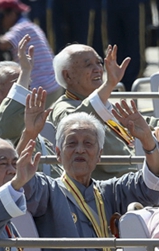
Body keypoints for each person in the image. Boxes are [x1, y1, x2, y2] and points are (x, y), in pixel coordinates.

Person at [23, 107, 159, 251]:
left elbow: (152, 184)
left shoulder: (110, 191)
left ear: (99, 155)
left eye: (88, 143)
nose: (80, 150)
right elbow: (19, 180)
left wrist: (147, 140)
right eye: (71, 143)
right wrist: (29, 134)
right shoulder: (48, 190)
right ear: (58, 153)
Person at [48, 44, 143, 181]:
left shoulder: (99, 101)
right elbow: (76, 123)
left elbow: (135, 121)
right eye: (88, 65)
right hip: (118, 182)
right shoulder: (64, 107)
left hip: (139, 167)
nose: (98, 69)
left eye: (99, 63)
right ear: (67, 75)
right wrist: (109, 84)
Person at [0, 0, 60, 99]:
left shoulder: (21, 28)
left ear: (12, 14)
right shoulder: (29, 25)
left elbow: (2, 43)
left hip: (42, 87)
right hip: (51, 84)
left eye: (1, 15)